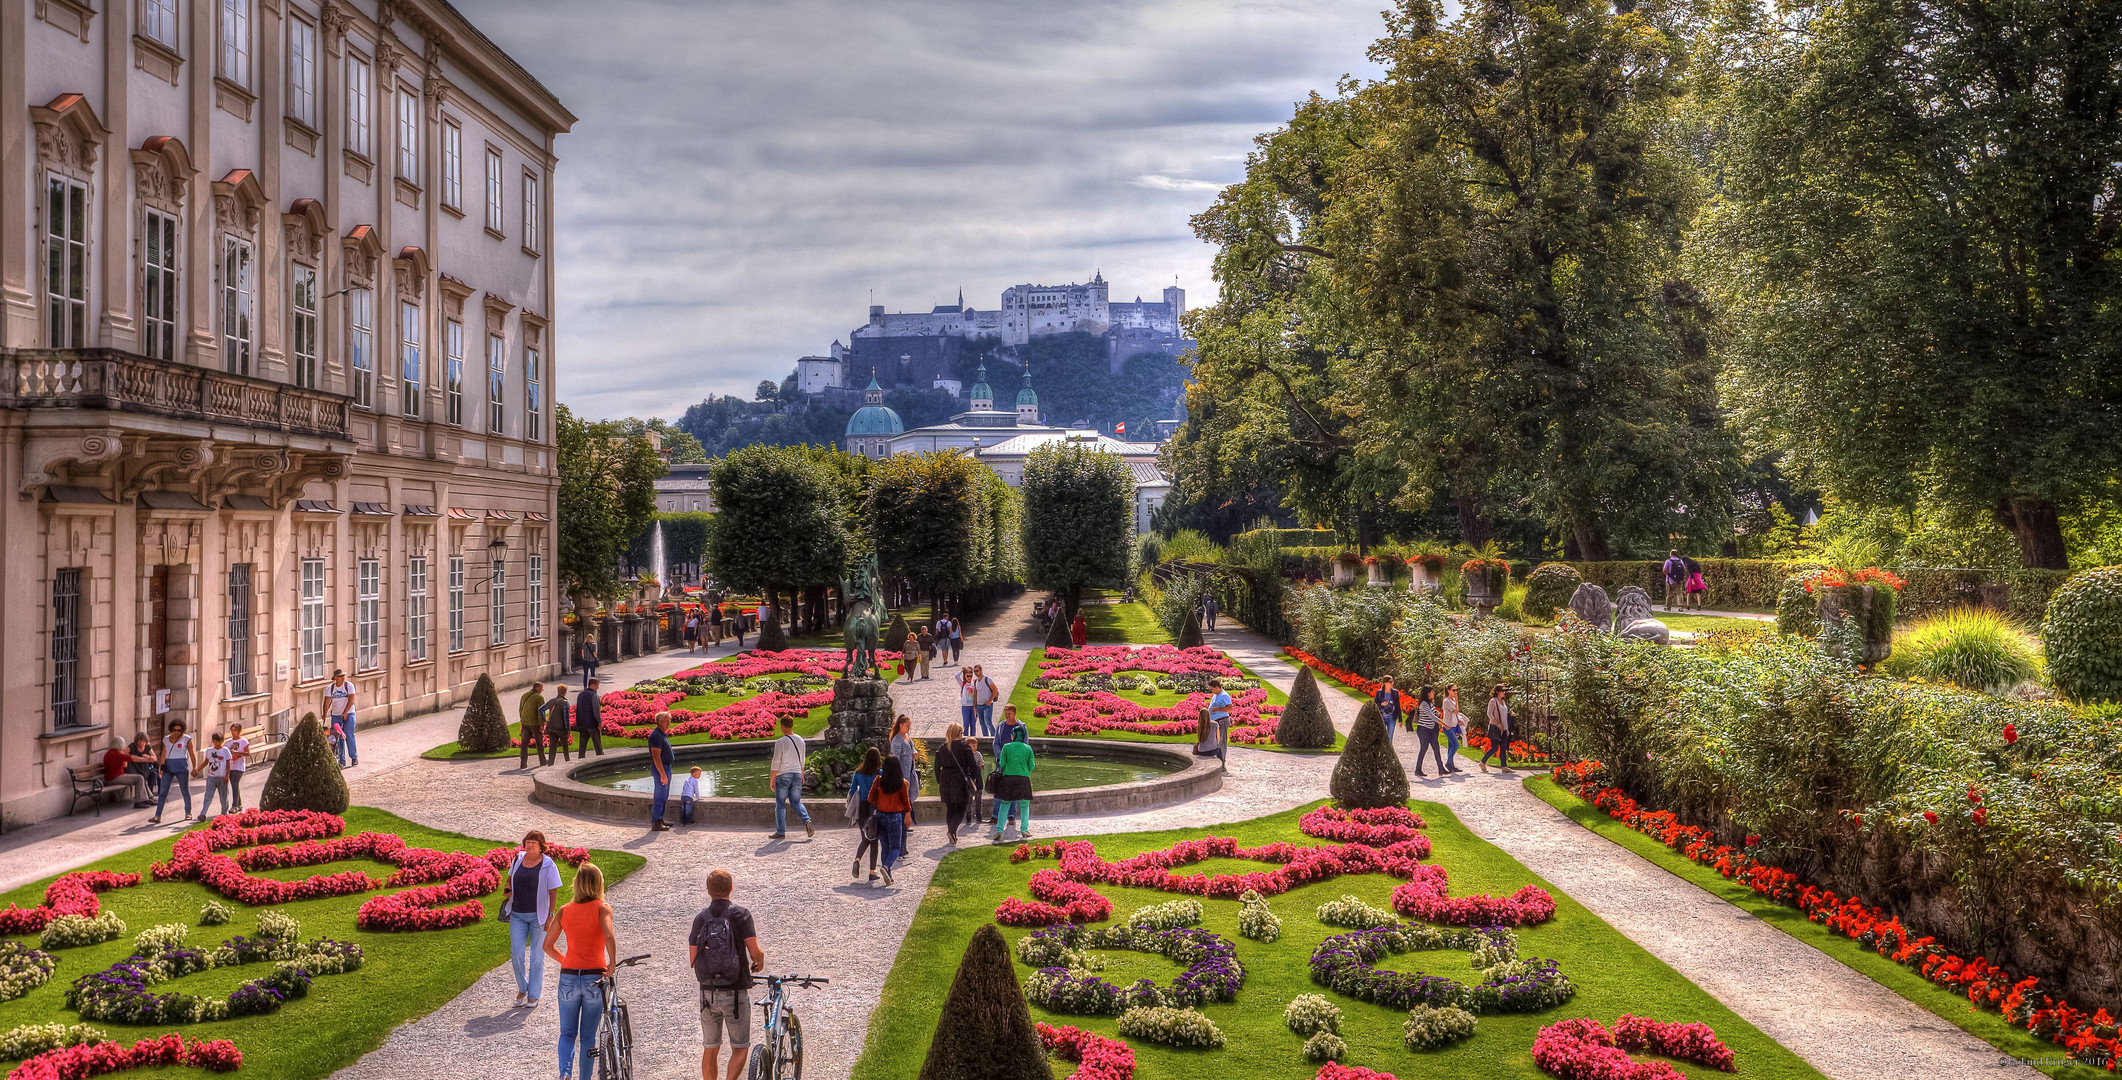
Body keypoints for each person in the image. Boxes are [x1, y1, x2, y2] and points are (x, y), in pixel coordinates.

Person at [543, 861, 616, 1080]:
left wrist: (565, 959)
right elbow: (609, 936)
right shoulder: (602, 907)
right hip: (594, 975)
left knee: (566, 1033)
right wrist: (611, 963)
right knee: (587, 1037)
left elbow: (547, 945)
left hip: (568, 976)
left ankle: (565, 1073)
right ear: (598, 884)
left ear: (577, 884)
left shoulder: (565, 910)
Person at [690, 869, 765, 1080]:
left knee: (710, 1048)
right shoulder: (741, 914)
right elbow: (754, 952)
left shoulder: (700, 918)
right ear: (731, 888)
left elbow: (692, 959)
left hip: (707, 992)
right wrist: (760, 960)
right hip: (735, 991)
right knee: (740, 1047)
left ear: (708, 891)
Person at [499, 830, 564, 1008]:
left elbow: (553, 891)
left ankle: (533, 994)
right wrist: (507, 887)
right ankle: (522, 987)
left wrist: (551, 916)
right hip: (517, 914)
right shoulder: (518, 859)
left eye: (533, 843)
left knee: (537, 956)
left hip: (539, 916)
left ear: (541, 846)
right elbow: (510, 877)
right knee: (516, 953)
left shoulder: (548, 864)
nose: (529, 845)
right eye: (527, 842)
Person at [935, 722, 982, 846]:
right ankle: (952, 831)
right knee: (961, 807)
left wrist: (939, 780)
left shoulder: (943, 747)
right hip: (960, 779)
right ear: (959, 733)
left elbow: (936, 766)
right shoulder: (964, 746)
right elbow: (972, 765)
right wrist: (973, 778)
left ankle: (952, 833)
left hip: (945, 780)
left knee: (950, 807)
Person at [869, 756, 913, 885]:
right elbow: (906, 802)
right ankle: (886, 867)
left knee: (885, 846)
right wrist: (908, 814)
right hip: (894, 817)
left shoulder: (878, 780)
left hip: (880, 816)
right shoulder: (901, 783)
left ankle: (888, 876)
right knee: (896, 848)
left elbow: (870, 798)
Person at [767, 715, 812, 839]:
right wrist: (801, 774)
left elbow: (776, 762)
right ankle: (807, 820)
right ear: (792, 725)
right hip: (797, 774)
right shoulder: (801, 740)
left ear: (782, 726)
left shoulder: (780, 742)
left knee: (780, 804)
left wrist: (772, 779)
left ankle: (781, 831)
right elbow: (802, 760)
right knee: (796, 802)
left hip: (783, 776)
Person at [149, 720, 198, 825]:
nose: (176, 732)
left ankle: (188, 812)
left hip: (182, 767)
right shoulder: (166, 739)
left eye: (179, 730)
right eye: (174, 730)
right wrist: (160, 767)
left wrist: (195, 767)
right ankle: (157, 815)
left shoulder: (187, 739)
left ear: (182, 730)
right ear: (171, 729)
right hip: (168, 768)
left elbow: (192, 754)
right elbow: (163, 754)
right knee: (163, 792)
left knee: (184, 791)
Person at [990, 729, 1034, 843]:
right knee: (1024, 805)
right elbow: (1031, 766)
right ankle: (1024, 830)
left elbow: (1002, 763)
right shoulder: (1028, 748)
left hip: (1008, 778)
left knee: (1004, 804)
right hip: (1023, 778)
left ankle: (999, 830)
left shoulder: (1006, 747)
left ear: (1013, 736)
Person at [847, 748, 883, 884]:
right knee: (874, 840)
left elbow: (851, 791)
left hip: (861, 807)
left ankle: (857, 860)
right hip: (874, 807)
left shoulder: (858, 773)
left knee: (865, 838)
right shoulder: (879, 774)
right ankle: (872, 872)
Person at [101, 738, 151, 808]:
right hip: (114, 778)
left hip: (112, 777)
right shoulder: (115, 753)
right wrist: (144, 759)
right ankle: (139, 802)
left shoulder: (110, 753)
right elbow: (132, 758)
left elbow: (125, 765)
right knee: (139, 778)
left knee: (141, 777)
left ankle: (147, 798)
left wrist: (123, 755)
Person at [648, 712, 676, 832]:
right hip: (661, 768)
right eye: (666, 721)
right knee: (660, 796)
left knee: (664, 796)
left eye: (669, 720)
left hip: (665, 767)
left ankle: (660, 820)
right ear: (659, 722)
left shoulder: (661, 734)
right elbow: (656, 757)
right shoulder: (656, 736)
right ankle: (656, 822)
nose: (669, 723)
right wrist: (662, 774)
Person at [325, 670, 359, 767]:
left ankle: (354, 757)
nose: (343, 678)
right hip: (336, 715)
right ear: (335, 678)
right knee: (338, 737)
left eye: (343, 676)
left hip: (349, 714)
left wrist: (345, 712)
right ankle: (341, 760)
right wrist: (324, 713)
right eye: (340, 676)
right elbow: (327, 701)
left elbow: (351, 699)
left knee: (348, 734)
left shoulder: (349, 686)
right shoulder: (330, 688)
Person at [198, 731, 234, 819]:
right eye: (215, 741)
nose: (217, 743)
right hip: (211, 777)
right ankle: (203, 813)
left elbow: (228, 764)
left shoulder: (225, 751)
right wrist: (198, 769)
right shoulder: (209, 751)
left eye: (219, 741)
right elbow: (206, 762)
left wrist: (227, 775)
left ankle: (224, 813)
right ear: (213, 741)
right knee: (208, 796)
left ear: (222, 741)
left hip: (222, 777)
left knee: (223, 796)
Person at [1412, 686, 1446, 778]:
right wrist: (1444, 724)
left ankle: (1441, 768)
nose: (1433, 693)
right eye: (1432, 692)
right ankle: (1418, 770)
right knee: (1424, 748)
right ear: (1428, 693)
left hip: (1431, 730)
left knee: (1436, 748)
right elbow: (1432, 716)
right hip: (1424, 730)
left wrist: (1437, 714)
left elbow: (1433, 713)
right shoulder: (1424, 704)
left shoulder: (1430, 703)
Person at [1479, 684, 1514, 773]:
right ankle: (1483, 762)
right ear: (1497, 692)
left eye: (1505, 690)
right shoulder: (1493, 701)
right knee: (1494, 748)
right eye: (1502, 690)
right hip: (1496, 728)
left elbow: (1504, 715)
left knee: (1503, 747)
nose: (1504, 692)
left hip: (1504, 728)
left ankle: (1504, 767)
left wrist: (1507, 727)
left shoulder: (1503, 702)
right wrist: (1497, 724)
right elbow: (1489, 714)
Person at [519, 681, 549, 770]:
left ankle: (523, 764)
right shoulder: (539, 697)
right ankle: (542, 760)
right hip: (534, 724)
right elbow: (541, 712)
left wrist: (522, 719)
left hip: (525, 723)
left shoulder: (524, 695)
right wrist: (542, 724)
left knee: (524, 744)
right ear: (539, 688)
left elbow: (520, 708)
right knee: (539, 743)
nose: (542, 691)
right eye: (542, 689)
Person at [1440, 685, 1466, 773]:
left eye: (1456, 690)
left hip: (1454, 726)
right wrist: (1457, 700)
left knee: (1451, 746)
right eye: (1453, 690)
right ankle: (1448, 763)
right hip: (1448, 727)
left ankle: (1451, 765)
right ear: (1448, 691)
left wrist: (1459, 721)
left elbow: (1455, 714)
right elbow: (1456, 711)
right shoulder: (1446, 701)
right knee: (1456, 744)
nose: (1455, 692)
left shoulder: (1452, 700)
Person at [125, 731, 160, 797]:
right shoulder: (132, 746)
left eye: (143, 742)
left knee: (154, 774)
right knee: (146, 775)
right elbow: (124, 755)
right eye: (139, 742)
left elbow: (154, 758)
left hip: (145, 768)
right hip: (135, 768)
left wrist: (148, 757)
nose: (141, 744)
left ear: (145, 741)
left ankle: (150, 794)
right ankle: (144, 796)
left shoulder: (147, 747)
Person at [575, 678, 604, 757]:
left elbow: (578, 709)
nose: (598, 687)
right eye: (597, 685)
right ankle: (601, 762)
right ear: (593, 685)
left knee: (582, 747)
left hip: (582, 724)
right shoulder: (594, 695)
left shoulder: (580, 694)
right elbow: (596, 711)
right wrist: (599, 722)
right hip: (592, 724)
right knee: (598, 746)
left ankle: (580, 761)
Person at [545, 687, 574, 764]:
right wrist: (568, 730)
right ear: (565, 692)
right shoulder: (565, 702)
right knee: (565, 746)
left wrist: (544, 718)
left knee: (552, 747)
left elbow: (541, 709)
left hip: (551, 727)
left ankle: (550, 764)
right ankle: (567, 762)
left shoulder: (551, 701)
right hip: (561, 728)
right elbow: (566, 718)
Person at [1208, 683, 1233, 769]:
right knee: (1215, 741)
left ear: (1217, 687)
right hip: (1215, 721)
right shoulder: (1216, 694)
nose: (1211, 691)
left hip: (1222, 721)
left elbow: (1230, 708)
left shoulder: (1224, 695)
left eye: (1212, 689)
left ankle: (1222, 763)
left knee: (1222, 741)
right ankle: (1216, 761)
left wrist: (1218, 709)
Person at [225, 724, 251, 811]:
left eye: (235, 730)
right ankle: (239, 804)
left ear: (239, 731)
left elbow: (247, 753)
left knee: (235, 783)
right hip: (230, 766)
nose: (233, 732)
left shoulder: (244, 741)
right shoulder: (228, 742)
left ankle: (234, 806)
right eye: (231, 730)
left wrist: (237, 753)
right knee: (233, 784)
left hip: (239, 767)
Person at [971, 665, 998, 737]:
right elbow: (976, 693)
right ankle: (985, 738)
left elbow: (995, 690)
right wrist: (975, 705)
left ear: (981, 670)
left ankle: (994, 737)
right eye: (975, 671)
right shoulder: (976, 681)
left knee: (988, 722)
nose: (976, 673)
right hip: (979, 705)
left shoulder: (987, 679)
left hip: (987, 705)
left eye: (977, 671)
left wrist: (989, 700)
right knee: (982, 725)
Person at [1372, 675, 1401, 743]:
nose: (1392, 683)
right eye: (1390, 682)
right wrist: (1381, 704)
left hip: (1392, 718)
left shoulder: (1395, 693)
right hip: (1382, 717)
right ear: (1385, 683)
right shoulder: (1379, 693)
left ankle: (1388, 753)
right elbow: (1375, 705)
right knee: (1380, 736)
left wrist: (1400, 719)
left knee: (1389, 738)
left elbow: (1397, 705)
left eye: (1392, 681)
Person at [958, 669, 977, 735]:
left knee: (973, 724)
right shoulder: (963, 684)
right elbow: (956, 676)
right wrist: (962, 670)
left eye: (970, 676)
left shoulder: (974, 683)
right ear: (965, 676)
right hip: (965, 706)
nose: (969, 677)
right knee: (966, 724)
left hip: (973, 706)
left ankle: (973, 738)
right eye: (967, 676)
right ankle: (965, 738)